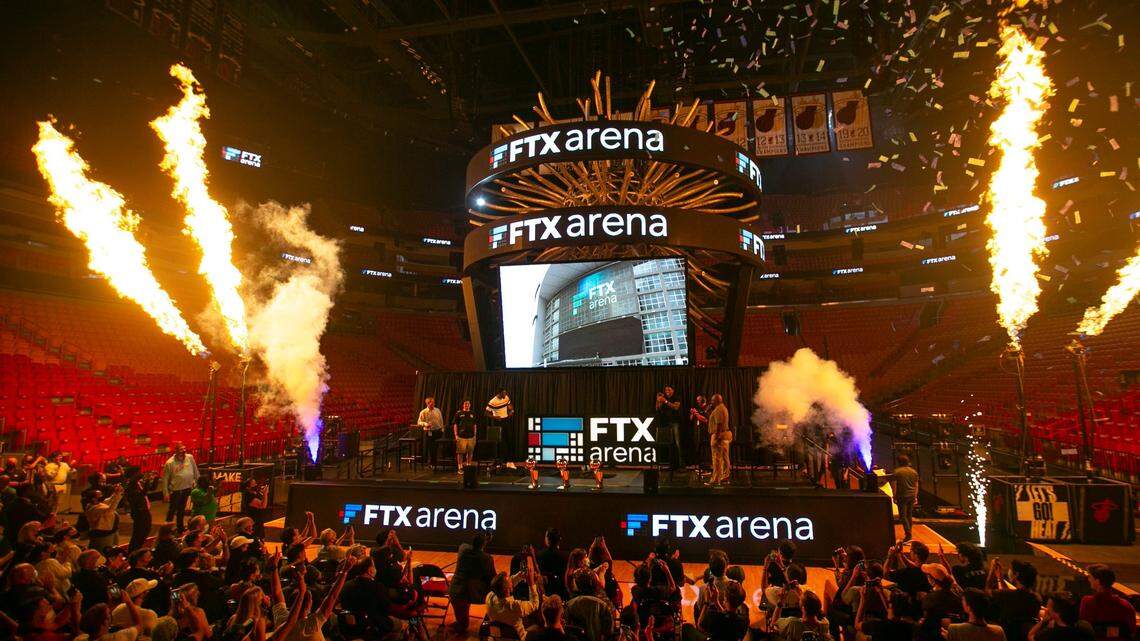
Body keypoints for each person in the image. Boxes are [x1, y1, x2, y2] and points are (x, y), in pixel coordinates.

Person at [449, 533, 496, 633]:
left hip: (455, 591)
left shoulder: (462, 550)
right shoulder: (487, 558)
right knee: (499, 588)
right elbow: (493, 578)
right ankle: (496, 619)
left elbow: (469, 546)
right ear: (483, 545)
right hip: (473, 593)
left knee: (463, 625)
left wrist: (484, 541)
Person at [486, 559, 541, 640]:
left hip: (499, 638)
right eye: (510, 581)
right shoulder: (515, 606)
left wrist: (520, 576)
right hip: (517, 638)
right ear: (509, 589)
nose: (511, 580)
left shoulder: (489, 597)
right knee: (537, 627)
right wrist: (531, 584)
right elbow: (535, 604)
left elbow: (507, 584)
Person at [987, 559, 1041, 641]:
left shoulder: (1010, 595)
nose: (1009, 572)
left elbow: (988, 591)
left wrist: (991, 571)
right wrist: (1000, 578)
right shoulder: (1036, 598)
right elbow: (1009, 594)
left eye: (1011, 570)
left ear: (1016, 574)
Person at [1078, 564, 1136, 641]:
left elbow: (1084, 628)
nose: (1088, 579)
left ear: (1097, 581)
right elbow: (1131, 630)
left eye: (1090, 577)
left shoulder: (1087, 602)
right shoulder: (1125, 605)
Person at [161, 443, 199, 533]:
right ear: (176, 451)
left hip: (187, 488)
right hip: (175, 490)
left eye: (184, 449)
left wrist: (198, 482)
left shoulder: (190, 458)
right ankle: (166, 529)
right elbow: (165, 479)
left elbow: (195, 470)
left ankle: (180, 527)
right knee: (172, 510)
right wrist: (165, 493)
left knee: (181, 510)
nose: (183, 452)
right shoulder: (170, 463)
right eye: (181, 450)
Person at [1028, 592, 1094, 641]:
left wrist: (1044, 620)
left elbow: (1031, 635)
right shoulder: (1085, 627)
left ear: (1057, 613)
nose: (1046, 608)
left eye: (1048, 606)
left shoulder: (1051, 634)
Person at [85, 486, 124, 552]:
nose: (102, 496)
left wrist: (116, 493)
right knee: (105, 551)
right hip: (104, 534)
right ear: (94, 499)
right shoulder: (94, 509)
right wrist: (118, 497)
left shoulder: (98, 504)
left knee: (114, 549)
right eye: (99, 495)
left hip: (111, 531)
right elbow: (111, 509)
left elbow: (108, 500)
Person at [890, 454, 920, 541]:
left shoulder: (897, 472)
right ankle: (909, 533)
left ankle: (908, 535)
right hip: (911, 496)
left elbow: (894, 484)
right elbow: (916, 485)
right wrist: (915, 496)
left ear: (899, 462)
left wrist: (894, 496)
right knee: (909, 515)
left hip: (902, 496)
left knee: (903, 516)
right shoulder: (914, 472)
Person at [654, 386, 683, 469]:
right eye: (666, 390)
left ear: (673, 390)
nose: (667, 391)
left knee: (678, 444)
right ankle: (672, 464)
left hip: (675, 423)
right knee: (670, 444)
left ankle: (681, 464)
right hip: (666, 424)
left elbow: (676, 407)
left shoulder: (676, 397)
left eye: (669, 389)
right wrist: (658, 400)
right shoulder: (664, 398)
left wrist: (665, 401)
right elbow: (657, 409)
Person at [706, 393, 731, 486]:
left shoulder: (718, 409)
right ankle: (725, 476)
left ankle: (716, 479)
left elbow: (719, 424)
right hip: (725, 435)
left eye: (712, 400)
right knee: (725, 457)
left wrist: (716, 436)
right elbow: (715, 420)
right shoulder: (722, 408)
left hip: (719, 435)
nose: (711, 402)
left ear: (716, 400)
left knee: (716, 458)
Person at [124, 472, 151, 552]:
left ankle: (137, 548)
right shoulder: (130, 487)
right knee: (139, 533)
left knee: (145, 531)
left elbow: (146, 491)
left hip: (145, 511)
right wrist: (146, 479)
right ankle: (133, 551)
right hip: (139, 513)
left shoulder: (138, 484)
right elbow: (139, 496)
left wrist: (151, 479)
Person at [416, 396, 445, 467]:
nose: (433, 404)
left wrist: (442, 428)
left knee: (437, 447)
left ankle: (435, 462)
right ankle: (432, 463)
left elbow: (441, 420)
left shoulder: (437, 410)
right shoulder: (423, 412)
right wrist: (425, 424)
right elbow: (419, 422)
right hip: (429, 432)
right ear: (428, 403)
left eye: (433, 403)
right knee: (431, 448)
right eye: (432, 403)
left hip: (438, 431)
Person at [485, 389, 514, 458]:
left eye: (505, 393)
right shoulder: (493, 401)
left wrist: (512, 410)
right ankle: (498, 458)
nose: (505, 394)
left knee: (507, 438)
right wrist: (495, 417)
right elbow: (486, 413)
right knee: (499, 440)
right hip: (498, 421)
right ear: (499, 393)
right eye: (504, 393)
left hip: (506, 420)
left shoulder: (506, 397)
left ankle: (507, 457)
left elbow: (509, 404)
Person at [453, 400, 479, 474]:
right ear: (463, 405)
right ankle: (460, 467)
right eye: (465, 404)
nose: (466, 405)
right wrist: (456, 435)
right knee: (460, 452)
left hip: (471, 436)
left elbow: (475, 425)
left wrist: (475, 435)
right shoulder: (459, 413)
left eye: (468, 404)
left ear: (470, 405)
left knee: (470, 452)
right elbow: (455, 425)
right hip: (461, 436)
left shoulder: (472, 413)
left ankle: (468, 465)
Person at [689, 395, 710, 473]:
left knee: (705, 450)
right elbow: (691, 419)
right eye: (697, 400)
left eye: (699, 400)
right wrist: (692, 413)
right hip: (698, 432)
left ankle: (706, 468)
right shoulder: (698, 408)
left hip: (705, 432)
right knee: (699, 450)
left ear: (703, 400)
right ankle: (701, 467)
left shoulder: (707, 408)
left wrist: (696, 413)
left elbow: (705, 420)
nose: (697, 401)